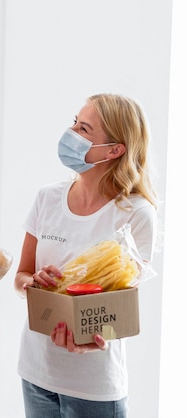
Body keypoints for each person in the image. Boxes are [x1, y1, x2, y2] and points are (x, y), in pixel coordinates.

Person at [13, 93, 157, 418]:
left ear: (114, 150)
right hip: (36, 373)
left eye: (84, 129)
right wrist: (32, 284)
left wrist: (95, 338)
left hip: (94, 386)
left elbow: (121, 312)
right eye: (74, 123)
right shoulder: (47, 198)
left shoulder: (136, 214)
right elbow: (20, 276)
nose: (71, 133)